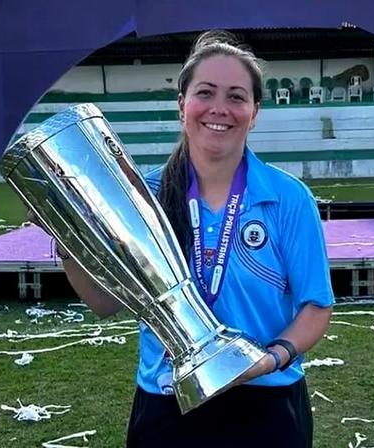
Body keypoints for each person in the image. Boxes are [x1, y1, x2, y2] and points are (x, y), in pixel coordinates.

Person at [57, 30, 334, 448]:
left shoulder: (289, 198)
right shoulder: (141, 196)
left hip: (267, 401)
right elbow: (106, 302)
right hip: (168, 404)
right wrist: (67, 235)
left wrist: (272, 357)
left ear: (255, 111)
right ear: (182, 104)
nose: (220, 109)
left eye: (237, 97)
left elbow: (316, 305)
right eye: (206, 92)